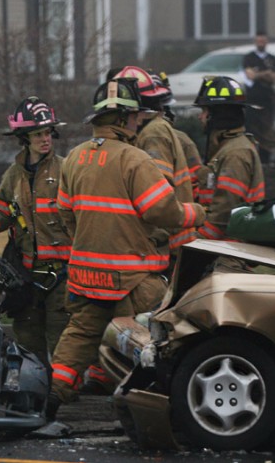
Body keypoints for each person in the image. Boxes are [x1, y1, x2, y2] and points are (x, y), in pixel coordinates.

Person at [43, 77, 206, 431]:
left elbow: (65, 212)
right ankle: (155, 412)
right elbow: (162, 211)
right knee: (159, 339)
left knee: (79, 336)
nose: (138, 123)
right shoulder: (134, 160)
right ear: (121, 120)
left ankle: (52, 399)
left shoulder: (75, 158)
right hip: (132, 280)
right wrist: (196, 213)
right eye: (134, 117)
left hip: (86, 275)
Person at [0, 96, 71, 368]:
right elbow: (2, 212)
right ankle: (35, 394)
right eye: (37, 134)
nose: (45, 139)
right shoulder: (13, 176)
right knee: (27, 343)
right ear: (24, 138)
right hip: (26, 277)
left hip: (62, 275)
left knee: (64, 341)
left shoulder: (68, 170)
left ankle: (64, 398)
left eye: (48, 132)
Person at [116, 66, 196, 250]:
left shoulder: (153, 134)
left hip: (167, 242)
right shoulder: (152, 129)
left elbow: (159, 195)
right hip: (169, 238)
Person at [194, 76, 265, 240]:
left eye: (204, 111)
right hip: (224, 245)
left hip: (229, 249)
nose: (200, 117)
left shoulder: (236, 153)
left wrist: (200, 242)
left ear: (216, 115)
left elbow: (225, 211)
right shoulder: (227, 148)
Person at [241, 33, 275, 162]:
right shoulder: (249, 58)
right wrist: (266, 73)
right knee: (251, 128)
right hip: (252, 99)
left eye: (263, 41)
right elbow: (250, 75)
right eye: (259, 40)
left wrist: (258, 74)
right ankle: (251, 157)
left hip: (268, 99)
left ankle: (265, 159)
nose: (261, 43)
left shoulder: (273, 59)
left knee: (266, 129)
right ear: (255, 41)